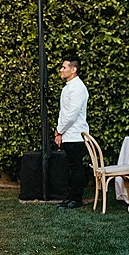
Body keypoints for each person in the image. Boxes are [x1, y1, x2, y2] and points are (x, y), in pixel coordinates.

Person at [54, 55, 89, 209]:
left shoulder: (78, 88)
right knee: (72, 167)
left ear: (73, 70)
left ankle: (76, 199)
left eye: (64, 67)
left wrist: (59, 130)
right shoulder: (68, 87)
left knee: (76, 168)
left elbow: (72, 114)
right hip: (68, 135)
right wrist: (60, 133)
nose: (61, 70)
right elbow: (64, 113)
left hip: (76, 135)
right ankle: (71, 197)